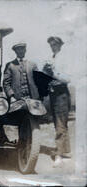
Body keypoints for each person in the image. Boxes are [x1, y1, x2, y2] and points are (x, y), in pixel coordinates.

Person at [44, 36, 71, 167]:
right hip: (54, 93)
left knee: (60, 125)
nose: (52, 46)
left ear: (60, 44)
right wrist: (46, 71)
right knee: (59, 124)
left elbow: (67, 78)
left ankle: (59, 156)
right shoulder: (52, 58)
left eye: (54, 44)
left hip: (62, 93)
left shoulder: (65, 58)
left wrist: (53, 73)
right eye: (51, 44)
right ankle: (65, 152)